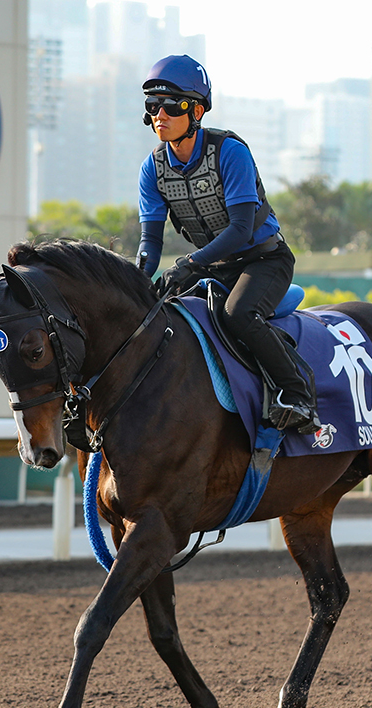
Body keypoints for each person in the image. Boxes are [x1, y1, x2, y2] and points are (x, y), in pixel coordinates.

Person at [135, 54, 318, 434]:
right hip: (211, 265)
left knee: (238, 315)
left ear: (196, 111)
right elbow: (150, 244)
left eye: (170, 106)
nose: (159, 116)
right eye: (153, 106)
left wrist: (189, 262)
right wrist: (135, 280)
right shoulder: (151, 169)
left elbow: (239, 229)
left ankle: (298, 393)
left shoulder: (230, 152)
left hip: (264, 260)